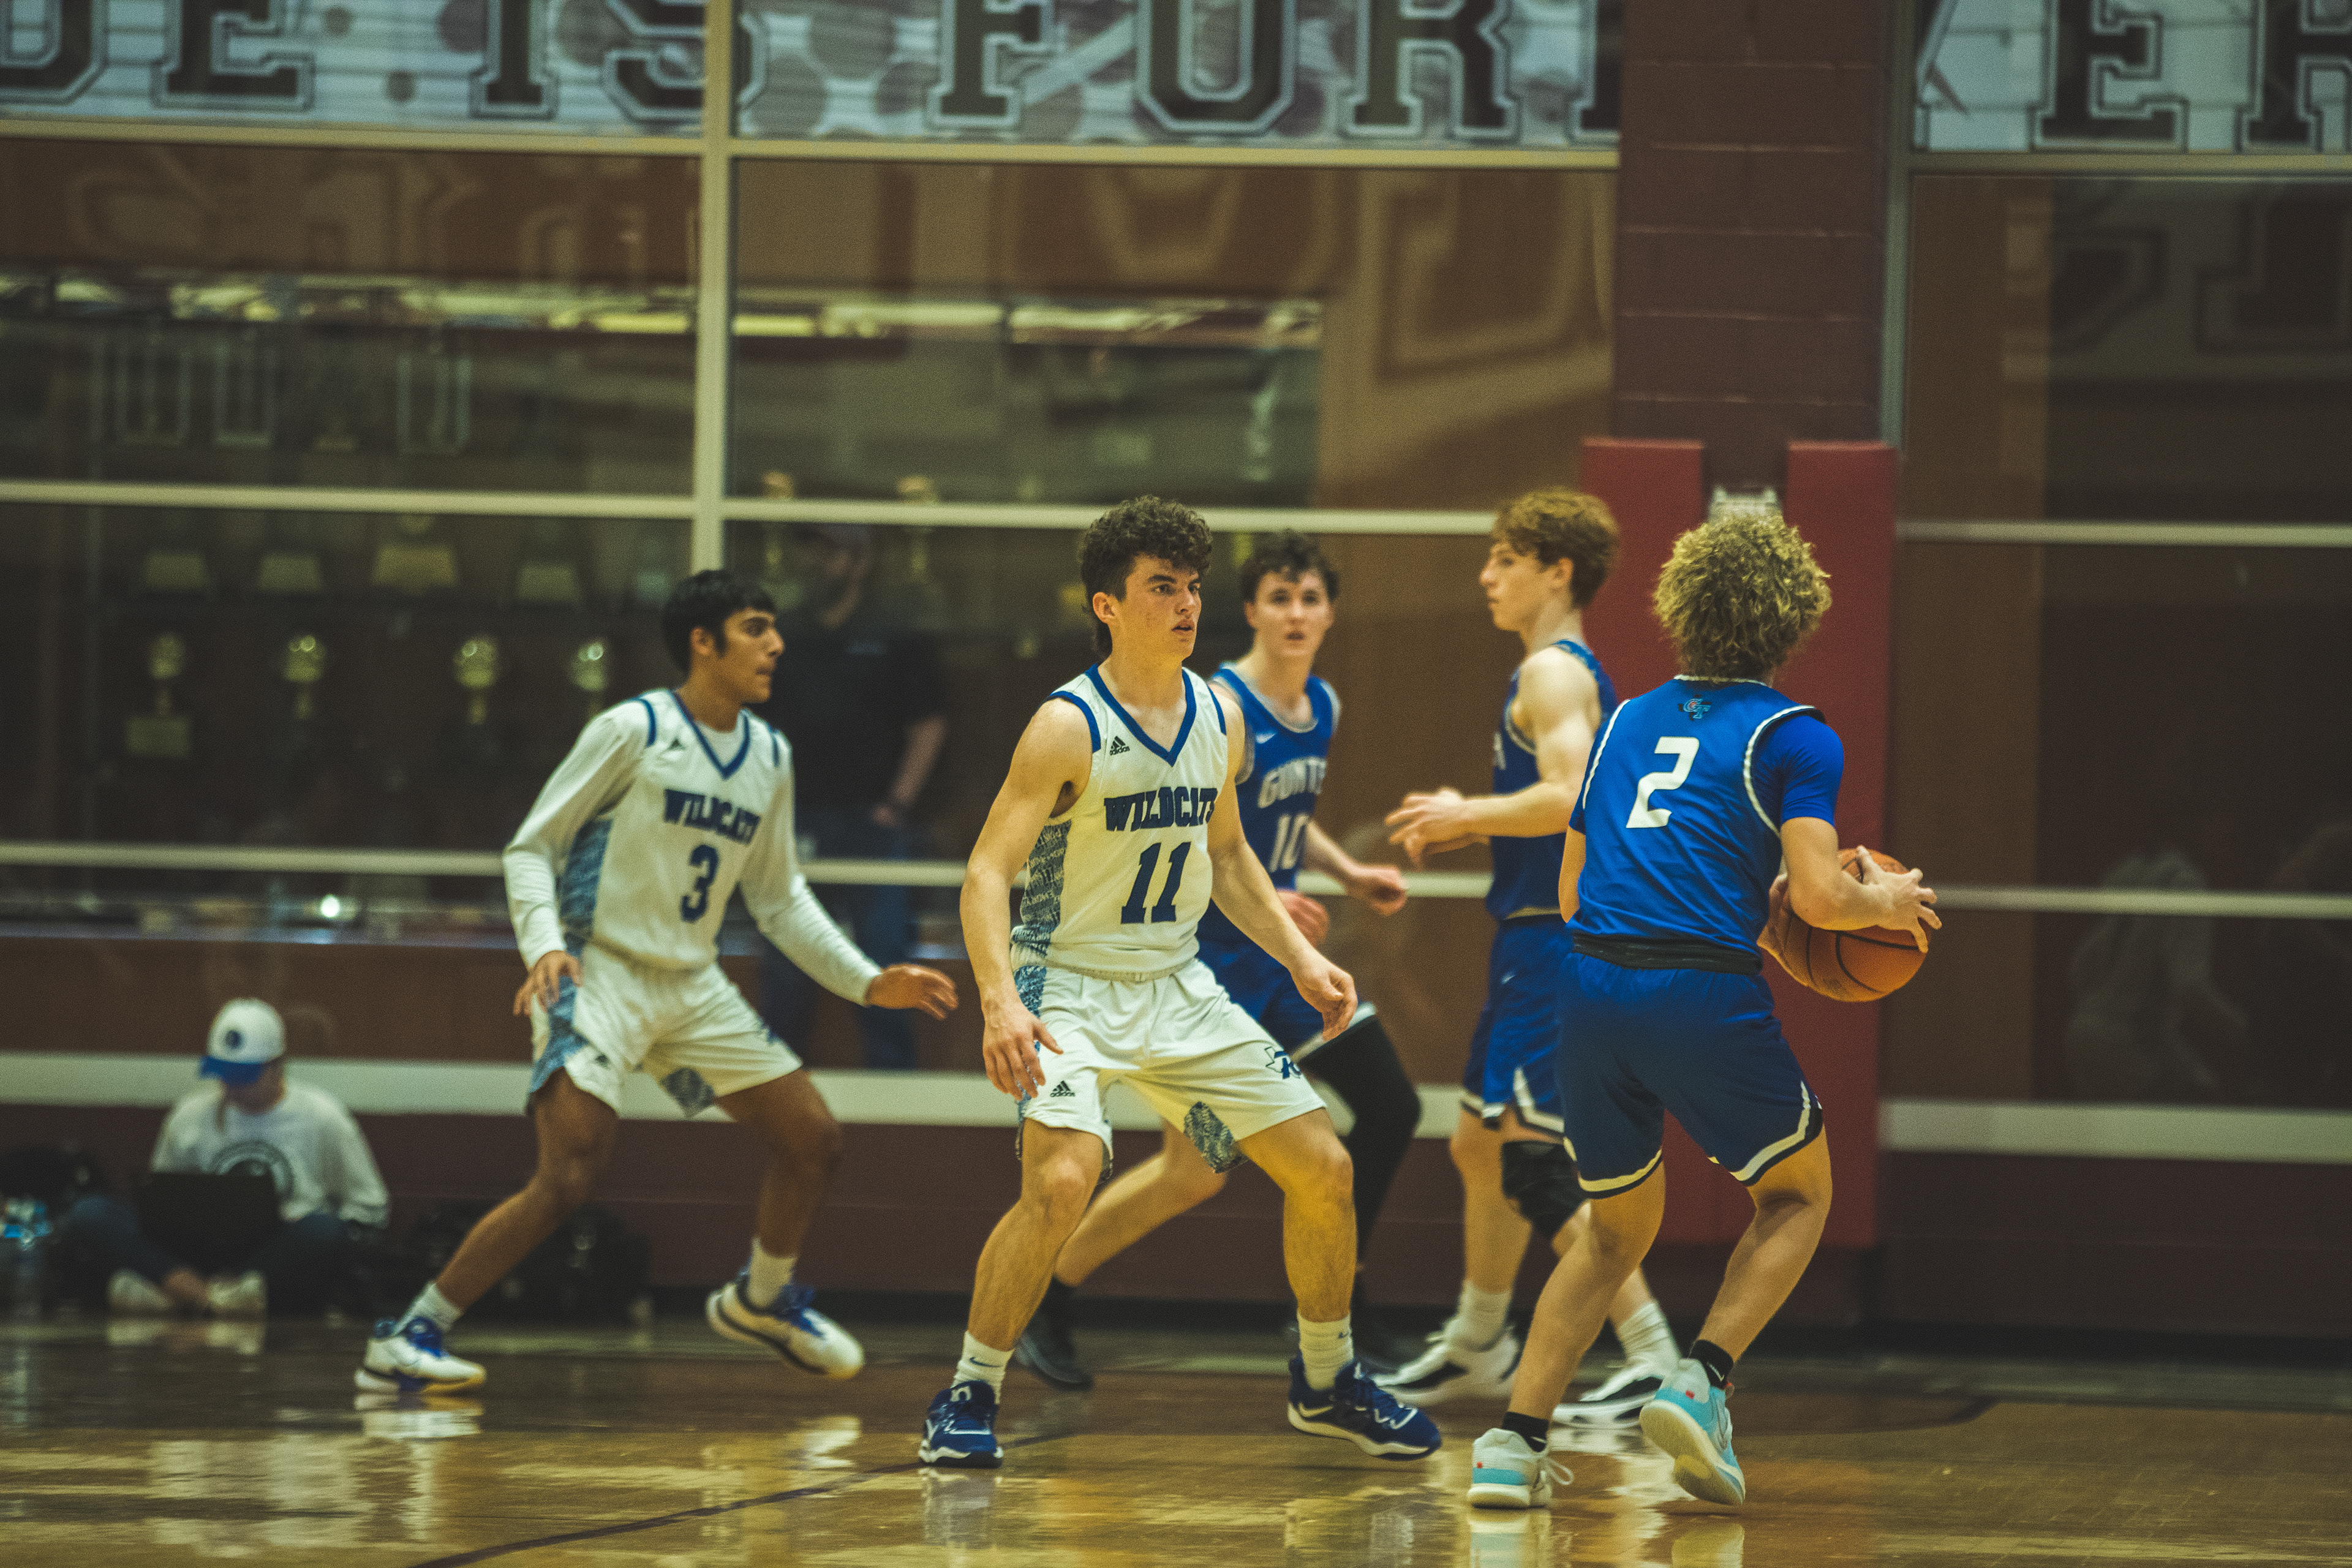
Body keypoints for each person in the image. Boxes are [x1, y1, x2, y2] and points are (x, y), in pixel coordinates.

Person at [920, 497, 1440, 1469]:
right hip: (1067, 982)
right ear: (1108, 605)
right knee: (1064, 1181)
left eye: (1194, 586)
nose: (1188, 604)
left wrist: (1300, 957)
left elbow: (1232, 857)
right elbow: (987, 871)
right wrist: (1000, 1000)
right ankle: (968, 1390)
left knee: (1325, 1167)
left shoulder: (1218, 713)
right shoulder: (1066, 725)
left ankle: (1327, 1381)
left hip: (1177, 982)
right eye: (1163, 587)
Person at [357, 570, 959, 1395]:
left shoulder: (770, 754)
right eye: (755, 628)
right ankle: (411, 1334)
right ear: (702, 643)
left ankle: (762, 1300)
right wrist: (543, 945)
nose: (776, 644)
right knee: (570, 1174)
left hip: (690, 984)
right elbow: (532, 846)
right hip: (596, 969)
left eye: (774, 628)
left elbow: (779, 898)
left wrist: (864, 981)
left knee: (813, 1139)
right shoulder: (631, 730)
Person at [1464, 510, 1937, 1512]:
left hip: (1589, 983)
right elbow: (1821, 899)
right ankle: (1701, 1382)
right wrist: (1884, 906)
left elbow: (1572, 891)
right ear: (1792, 619)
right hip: (1699, 989)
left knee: (1611, 1231)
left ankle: (1511, 1445)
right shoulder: (1797, 736)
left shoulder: (1625, 718)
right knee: (1799, 1196)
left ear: (1679, 607)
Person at [1379, 489, 1681, 1426]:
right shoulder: (1565, 673)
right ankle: (1479, 1341)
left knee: (1533, 1168)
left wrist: (1466, 811)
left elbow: (1565, 793)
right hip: (1531, 937)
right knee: (1479, 1145)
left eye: (1505, 559)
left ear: (1558, 572)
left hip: (1551, 942)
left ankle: (1654, 1358)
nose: (1486, 576)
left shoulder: (1551, 673)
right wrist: (1476, 823)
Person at [755, 522, 949, 1070]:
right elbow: (755, 724)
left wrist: (897, 805)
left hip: (873, 827)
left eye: (831, 552)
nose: (816, 563)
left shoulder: (895, 632)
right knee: (788, 961)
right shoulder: (784, 635)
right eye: (810, 551)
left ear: (862, 562)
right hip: (798, 823)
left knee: (884, 961)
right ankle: (776, 1085)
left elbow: (928, 724)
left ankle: (893, 1097)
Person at [64, 998, 387, 1318]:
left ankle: (175, 1297)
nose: (232, 1087)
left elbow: (370, 1207)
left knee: (324, 1233)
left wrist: (300, 1222)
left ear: (277, 1066)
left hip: (267, 1257)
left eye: (244, 1077)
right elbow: (160, 1201)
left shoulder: (322, 1117)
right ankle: (208, 1296)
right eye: (225, 1074)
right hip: (193, 1253)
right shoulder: (190, 1115)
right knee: (89, 1213)